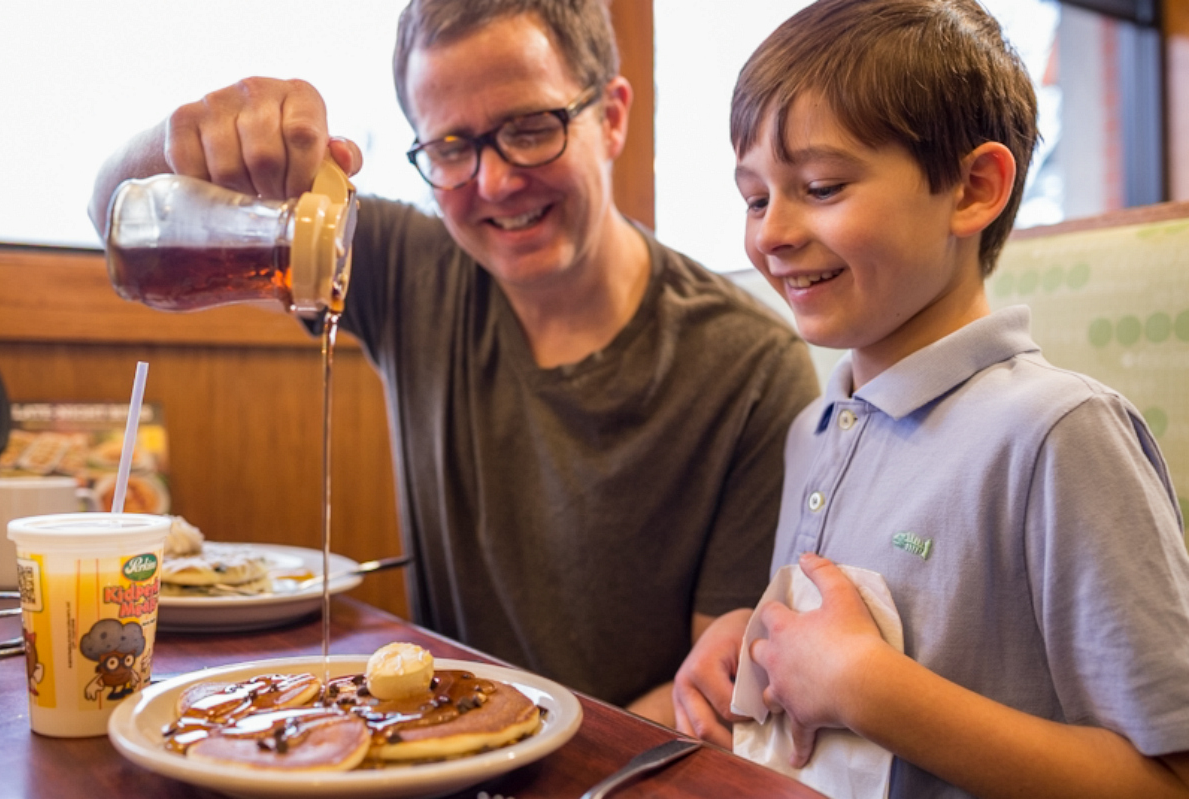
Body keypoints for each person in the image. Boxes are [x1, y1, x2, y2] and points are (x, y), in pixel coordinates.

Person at [88, 0, 819, 722]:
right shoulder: (415, 265)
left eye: (532, 129)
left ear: (614, 116)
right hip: (427, 744)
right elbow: (114, 214)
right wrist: (192, 138)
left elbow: (713, 699)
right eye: (450, 148)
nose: (495, 183)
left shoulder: (752, 368)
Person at [671, 0, 1189, 795]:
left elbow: (1165, 778)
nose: (771, 233)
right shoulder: (813, 428)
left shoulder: (1057, 433)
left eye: (820, 185)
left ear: (973, 189)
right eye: (755, 197)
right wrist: (760, 644)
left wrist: (871, 690)